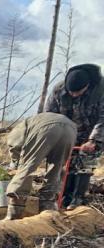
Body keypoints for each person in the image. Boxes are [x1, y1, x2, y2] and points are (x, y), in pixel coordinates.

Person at [45, 64, 103, 208]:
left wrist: (93, 140)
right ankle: (65, 197)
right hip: (67, 130)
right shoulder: (58, 90)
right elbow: (49, 116)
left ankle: (78, 198)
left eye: (78, 92)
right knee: (65, 161)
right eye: (71, 92)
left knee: (85, 160)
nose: (74, 95)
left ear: (87, 86)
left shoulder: (101, 90)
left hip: (94, 131)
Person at [3, 112, 76, 220]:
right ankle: (47, 211)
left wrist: (15, 163)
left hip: (47, 129)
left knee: (28, 166)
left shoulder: (20, 128)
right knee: (56, 168)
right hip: (71, 129)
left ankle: (13, 215)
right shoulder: (33, 121)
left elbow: (15, 144)